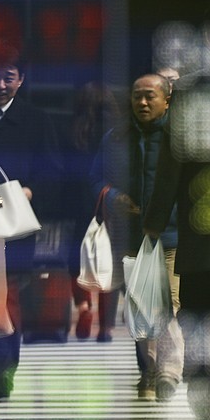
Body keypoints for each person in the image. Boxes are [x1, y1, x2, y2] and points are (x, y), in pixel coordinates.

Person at [0, 39, 65, 402]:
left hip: (15, 219)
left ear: (21, 80)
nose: (1, 84)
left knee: (8, 297)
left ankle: (2, 368)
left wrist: (30, 192)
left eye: (9, 77)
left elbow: (53, 170)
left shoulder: (37, 120)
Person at [145, 0, 210, 420]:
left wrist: (155, 222)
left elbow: (171, 168)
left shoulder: (194, 93)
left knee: (199, 307)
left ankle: (201, 377)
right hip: (205, 222)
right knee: (198, 306)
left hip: (203, 224)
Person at [91, 73, 183, 402]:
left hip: (172, 235)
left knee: (167, 305)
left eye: (150, 96)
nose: (142, 103)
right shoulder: (116, 137)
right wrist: (113, 195)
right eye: (136, 96)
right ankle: (148, 370)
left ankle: (168, 371)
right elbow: (94, 178)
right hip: (131, 237)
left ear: (167, 100)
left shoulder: (180, 139)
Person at [61, 82, 122, 342]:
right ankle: (106, 328)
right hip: (108, 202)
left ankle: (84, 304)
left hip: (77, 203)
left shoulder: (71, 131)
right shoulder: (117, 134)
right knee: (111, 261)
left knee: (78, 259)